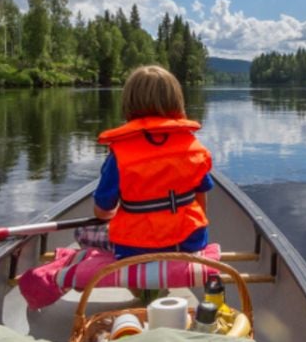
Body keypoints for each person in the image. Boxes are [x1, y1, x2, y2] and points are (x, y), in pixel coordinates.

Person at [89, 65, 214, 260]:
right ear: (177, 101)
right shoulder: (191, 147)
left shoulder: (120, 154)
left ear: (129, 103)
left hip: (135, 249)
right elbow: (201, 201)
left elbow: (102, 211)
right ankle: (156, 285)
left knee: (81, 233)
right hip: (189, 243)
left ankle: (139, 288)